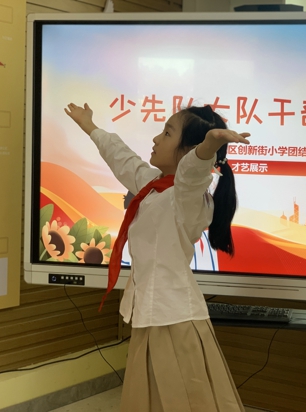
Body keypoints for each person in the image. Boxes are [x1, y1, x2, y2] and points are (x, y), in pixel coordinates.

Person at [65, 102, 250, 412]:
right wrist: (90, 127)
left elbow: (192, 173)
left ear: (188, 149)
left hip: (174, 318)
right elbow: (123, 159)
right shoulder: (153, 185)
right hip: (151, 314)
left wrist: (207, 147)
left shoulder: (187, 197)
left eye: (167, 133)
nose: (155, 139)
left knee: (184, 402)